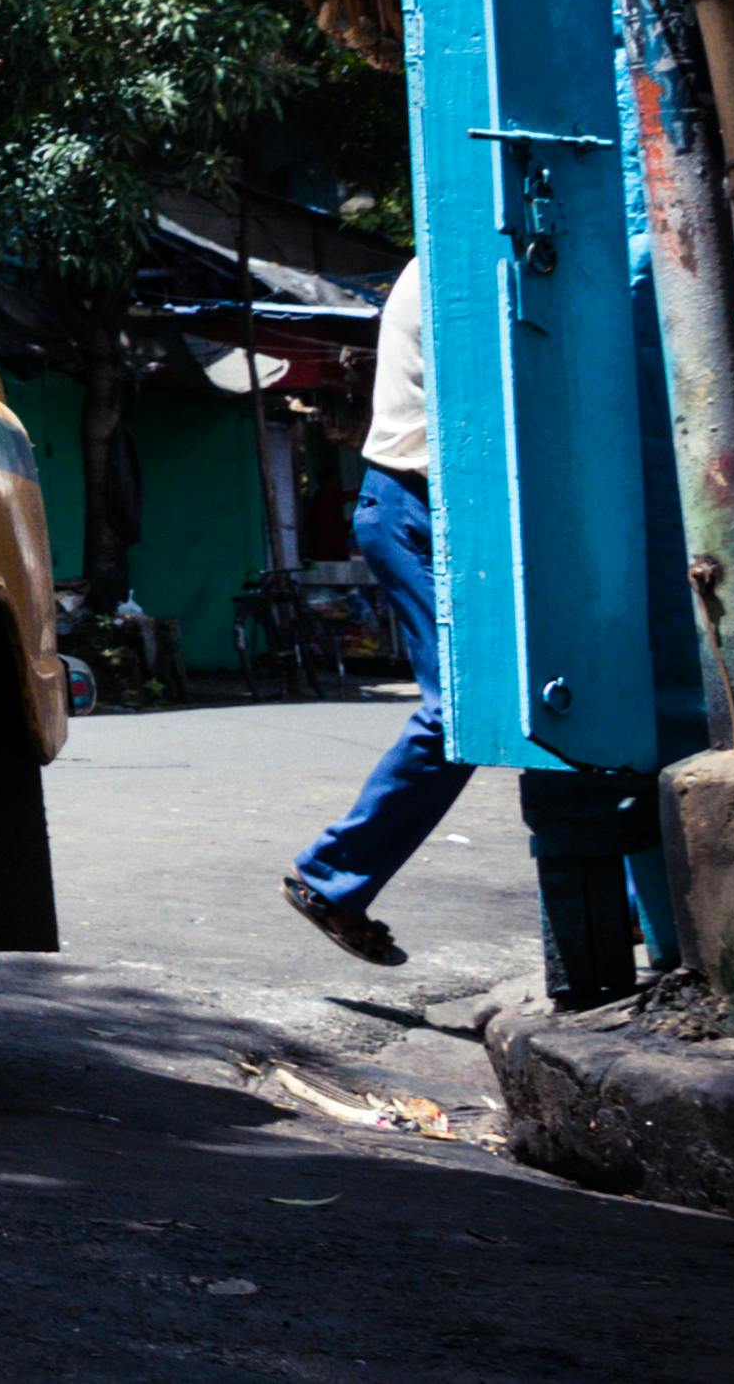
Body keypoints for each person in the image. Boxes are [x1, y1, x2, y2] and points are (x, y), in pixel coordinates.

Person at [283, 258, 458, 966]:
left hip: (418, 506)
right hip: (411, 505)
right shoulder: (453, 256)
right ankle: (330, 876)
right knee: (461, 708)